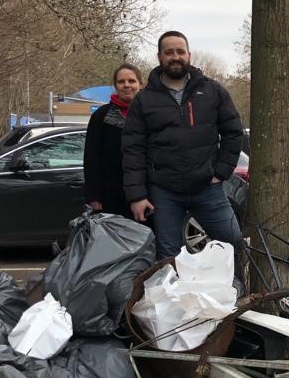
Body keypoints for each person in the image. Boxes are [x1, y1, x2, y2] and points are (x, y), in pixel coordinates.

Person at [122, 31, 245, 259]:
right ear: (159, 57)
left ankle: (233, 292)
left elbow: (234, 133)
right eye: (169, 52)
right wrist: (137, 195)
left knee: (232, 241)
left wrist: (221, 171)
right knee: (168, 255)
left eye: (180, 51)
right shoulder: (144, 99)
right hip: (164, 191)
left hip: (208, 188)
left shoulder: (213, 91)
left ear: (188, 55)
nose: (175, 56)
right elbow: (133, 150)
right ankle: (174, 295)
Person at [83, 64, 144, 218]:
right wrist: (94, 195)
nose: (126, 85)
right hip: (111, 194)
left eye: (131, 81)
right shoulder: (101, 116)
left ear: (140, 84)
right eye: (121, 81)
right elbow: (92, 157)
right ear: (115, 86)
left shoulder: (150, 114)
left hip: (145, 193)